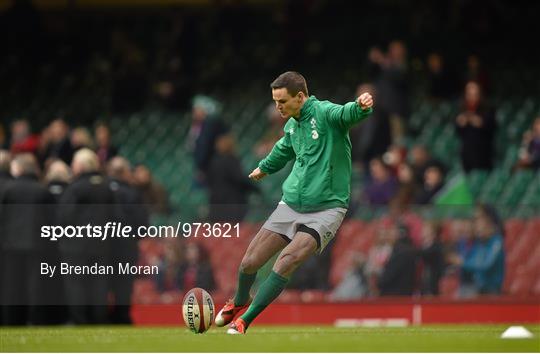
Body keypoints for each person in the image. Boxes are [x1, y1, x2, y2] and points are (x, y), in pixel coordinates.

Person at [214, 71, 373, 334]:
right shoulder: (291, 124)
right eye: (275, 101)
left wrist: (360, 107)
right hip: (291, 204)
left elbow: (345, 114)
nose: (278, 107)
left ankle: (245, 321)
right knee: (249, 262)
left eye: (282, 101)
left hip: (327, 208)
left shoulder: (324, 113)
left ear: (300, 97)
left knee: (286, 261)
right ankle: (240, 301)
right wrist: (264, 167)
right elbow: (283, 149)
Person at [448, 204, 505, 296]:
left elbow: (486, 265)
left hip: (491, 293)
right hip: (478, 290)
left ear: (488, 219)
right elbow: (471, 261)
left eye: (478, 218)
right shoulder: (479, 242)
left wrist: (462, 262)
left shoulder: (496, 241)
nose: (475, 223)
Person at [455, 81, 496, 172]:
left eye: (475, 94)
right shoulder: (461, 108)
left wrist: (480, 122)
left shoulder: (488, 108)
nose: (472, 97)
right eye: (469, 94)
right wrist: (460, 123)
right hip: (467, 153)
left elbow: (492, 127)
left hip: (483, 153)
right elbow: (458, 131)